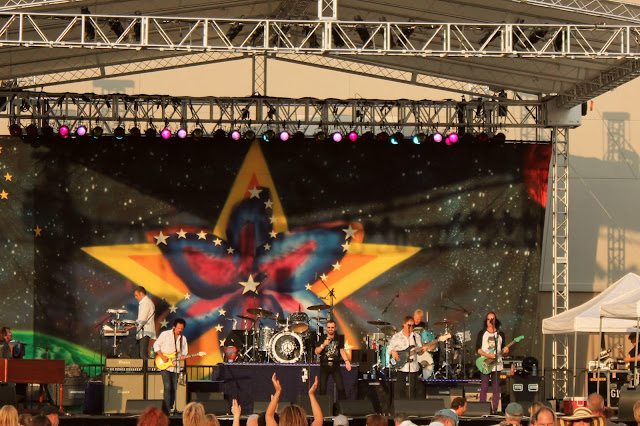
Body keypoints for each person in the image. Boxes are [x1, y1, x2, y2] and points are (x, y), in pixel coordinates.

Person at [476, 312, 509, 413]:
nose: (490, 321)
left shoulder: (500, 334)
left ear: (495, 320)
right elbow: (478, 349)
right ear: (486, 321)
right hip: (485, 362)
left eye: (492, 319)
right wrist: (487, 355)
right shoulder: (482, 333)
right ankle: (482, 408)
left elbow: (502, 349)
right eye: (488, 319)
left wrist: (505, 351)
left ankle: (494, 409)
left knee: (496, 388)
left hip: (497, 364)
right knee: (484, 386)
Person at [153, 318, 188, 413]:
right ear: (174, 327)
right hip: (164, 364)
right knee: (167, 386)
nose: (180, 330)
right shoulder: (165, 334)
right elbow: (156, 345)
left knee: (173, 388)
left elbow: (184, 352)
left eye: (181, 329)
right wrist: (162, 356)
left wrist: (182, 356)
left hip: (175, 366)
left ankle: (171, 407)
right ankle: (166, 409)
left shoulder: (183, 339)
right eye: (178, 328)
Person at [388, 316, 425, 399]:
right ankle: (402, 406)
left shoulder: (416, 336)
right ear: (404, 324)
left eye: (412, 325)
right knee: (401, 389)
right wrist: (393, 352)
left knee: (412, 390)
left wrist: (422, 350)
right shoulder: (397, 336)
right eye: (409, 325)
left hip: (412, 366)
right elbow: (390, 349)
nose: (410, 327)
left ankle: (412, 405)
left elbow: (419, 352)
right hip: (400, 365)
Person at [315, 320, 352, 400]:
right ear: (326, 328)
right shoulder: (322, 337)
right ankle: (322, 406)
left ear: (335, 328)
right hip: (324, 365)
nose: (330, 329)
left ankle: (342, 406)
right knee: (322, 389)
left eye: (332, 327)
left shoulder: (339, 338)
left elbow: (341, 350)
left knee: (341, 388)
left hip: (335, 365)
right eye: (329, 327)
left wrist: (346, 361)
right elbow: (316, 351)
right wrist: (323, 345)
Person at [124, 286, 156, 359]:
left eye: (136, 295)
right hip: (142, 331)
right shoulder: (144, 303)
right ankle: (142, 366)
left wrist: (130, 327)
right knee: (139, 354)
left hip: (145, 331)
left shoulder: (146, 303)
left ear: (141, 294)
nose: (135, 297)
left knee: (143, 354)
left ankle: (145, 366)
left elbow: (142, 319)